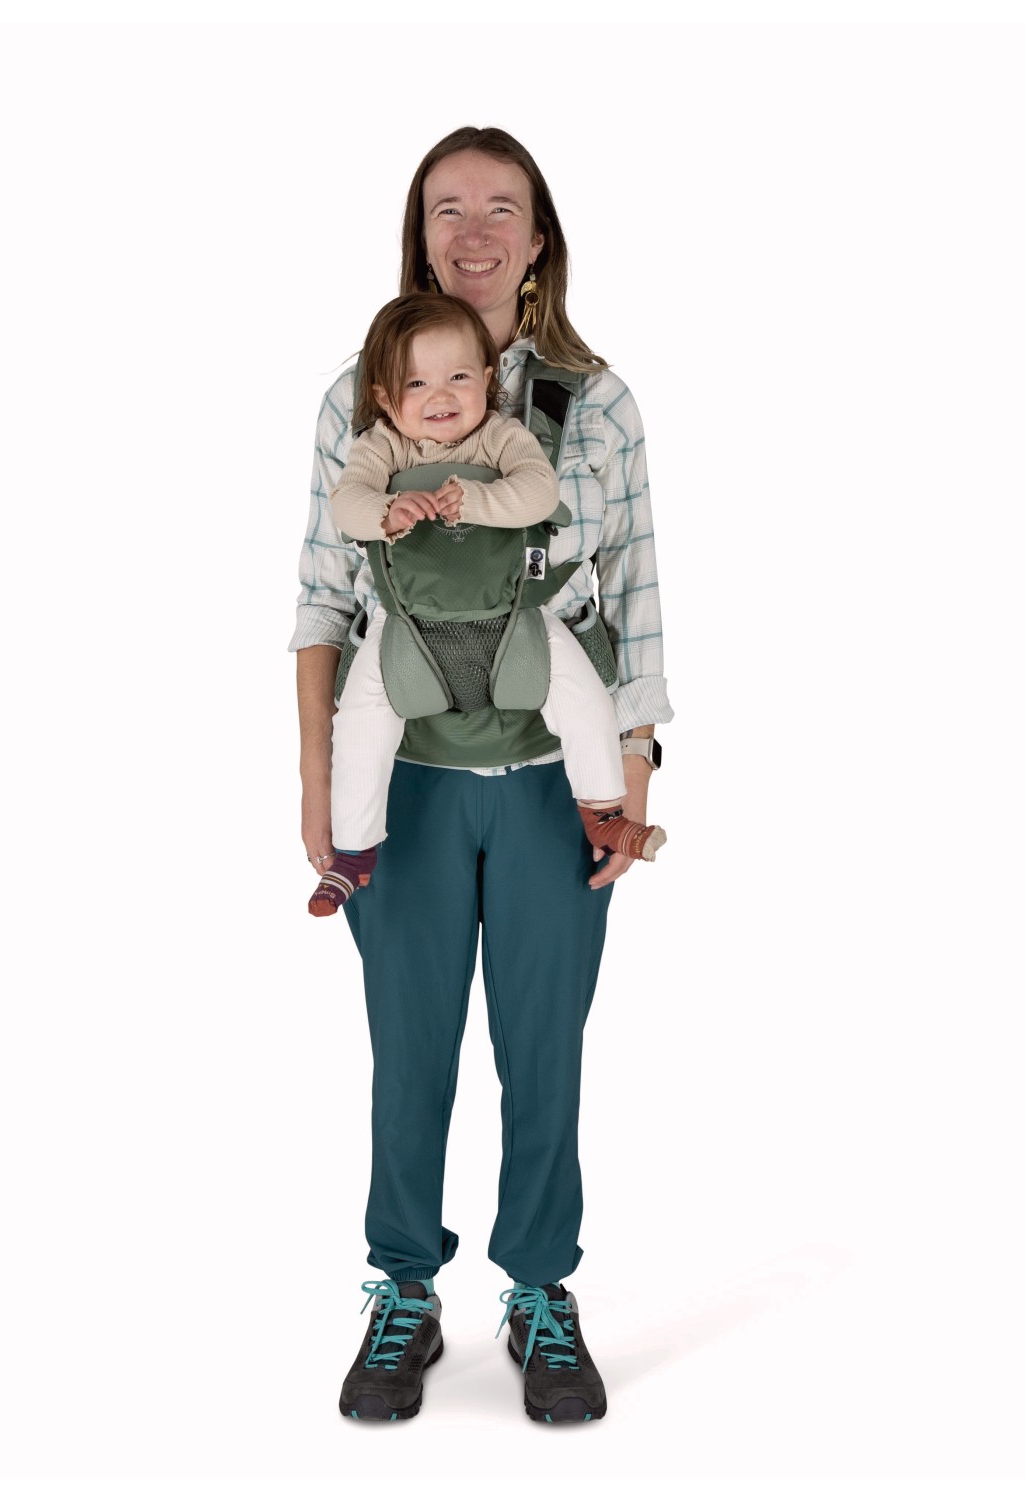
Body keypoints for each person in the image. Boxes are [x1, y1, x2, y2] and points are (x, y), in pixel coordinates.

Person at [290, 126, 672, 1425]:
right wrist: (317, 786)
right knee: (410, 1048)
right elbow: (321, 597)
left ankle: (540, 1290)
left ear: (539, 236)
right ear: (419, 235)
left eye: (500, 206)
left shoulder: (595, 405)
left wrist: (633, 768)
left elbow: (635, 590)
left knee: (541, 1045)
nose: (473, 230)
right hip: (408, 773)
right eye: (446, 208)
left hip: (556, 771)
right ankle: (403, 1287)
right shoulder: (359, 396)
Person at [307, 290, 666, 917]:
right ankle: (355, 851)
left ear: (488, 380)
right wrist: (386, 512)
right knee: (361, 717)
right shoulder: (383, 446)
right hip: (405, 628)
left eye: (459, 378)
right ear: (386, 400)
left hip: (513, 619)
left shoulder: (502, 437)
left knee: (583, 694)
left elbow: (538, 493)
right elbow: (346, 505)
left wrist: (474, 502)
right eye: (416, 383)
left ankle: (604, 809)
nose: (440, 397)